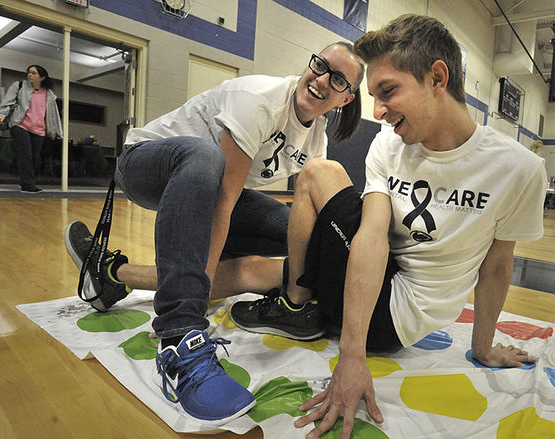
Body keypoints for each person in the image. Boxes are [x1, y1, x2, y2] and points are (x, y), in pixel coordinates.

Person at [228, 14, 547, 439]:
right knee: (252, 270)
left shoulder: (520, 168)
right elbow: (371, 235)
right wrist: (349, 352)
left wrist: (481, 347)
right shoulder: (388, 142)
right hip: (371, 278)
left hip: (393, 319)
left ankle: (297, 303)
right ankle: (120, 276)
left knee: (319, 174)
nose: (377, 111)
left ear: (437, 77)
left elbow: (496, 266)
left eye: (388, 92)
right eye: (373, 95)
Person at [63, 42, 364, 426]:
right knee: (208, 158)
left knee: (298, 231)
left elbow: (309, 213)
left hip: (210, 188)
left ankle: (110, 275)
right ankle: (179, 334)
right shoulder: (260, 101)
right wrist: (192, 299)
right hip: (146, 163)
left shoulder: (316, 133)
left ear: (346, 97)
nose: (321, 79)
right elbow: (223, 201)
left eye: (336, 79)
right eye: (320, 66)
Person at [0, 65, 62, 193]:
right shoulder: (19, 86)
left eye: (34, 73)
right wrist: (0, 114)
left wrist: (57, 131)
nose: (30, 75)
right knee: (25, 155)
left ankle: (27, 181)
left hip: (39, 130)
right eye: (29, 72)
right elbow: (7, 102)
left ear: (42, 77)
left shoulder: (49, 94)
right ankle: (28, 185)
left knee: (35, 158)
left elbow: (53, 115)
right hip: (20, 125)